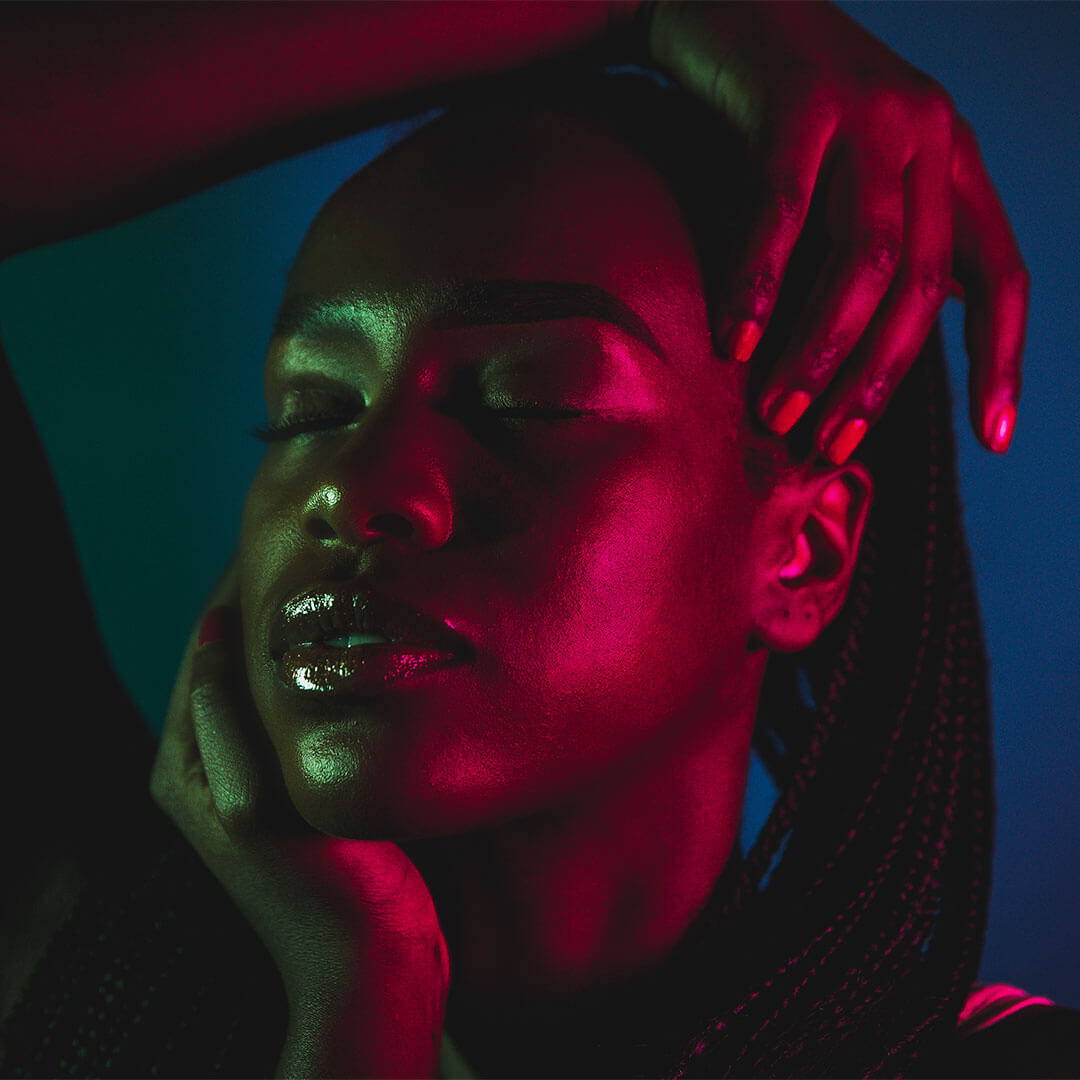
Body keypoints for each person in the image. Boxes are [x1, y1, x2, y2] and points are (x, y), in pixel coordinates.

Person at [1, 3, 1069, 1078]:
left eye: (529, 401)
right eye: (312, 409)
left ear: (803, 556)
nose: (355, 489)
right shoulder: (72, 969)